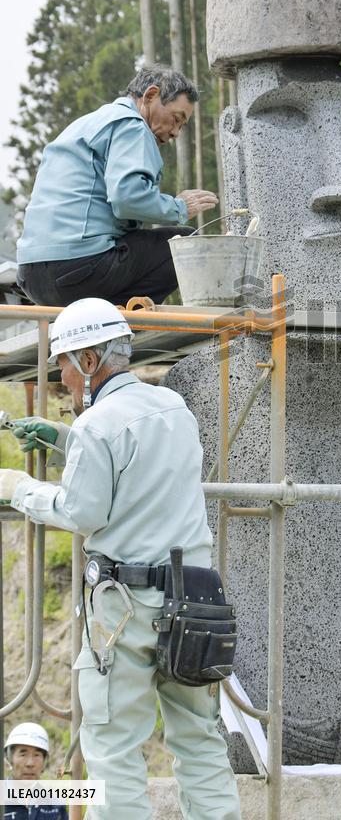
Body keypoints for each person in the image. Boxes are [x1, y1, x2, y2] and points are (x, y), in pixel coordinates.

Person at [0, 298, 240, 820]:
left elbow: (84, 509)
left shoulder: (98, 425)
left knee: (112, 747)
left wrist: (22, 489)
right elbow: (137, 471)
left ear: (89, 361)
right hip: (194, 597)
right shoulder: (173, 408)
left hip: (126, 606)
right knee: (200, 739)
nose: (60, 378)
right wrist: (65, 439)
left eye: (62, 363)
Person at [16, 65, 218, 308]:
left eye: (182, 126)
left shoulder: (85, 124)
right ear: (151, 96)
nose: (175, 132)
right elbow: (127, 198)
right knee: (186, 243)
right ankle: (121, 321)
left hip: (31, 277)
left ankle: (107, 317)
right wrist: (179, 207)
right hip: (77, 269)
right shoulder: (132, 125)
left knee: (136, 241)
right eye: (176, 119)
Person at [3, 722, 68, 819]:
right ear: (10, 758)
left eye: (37, 755)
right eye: (23, 754)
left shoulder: (55, 805)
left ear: (44, 762)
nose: (30, 763)